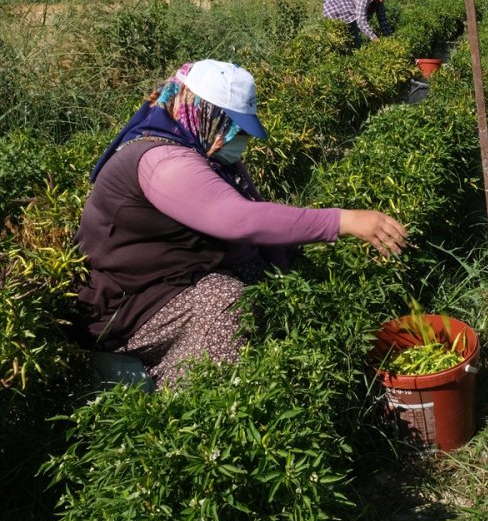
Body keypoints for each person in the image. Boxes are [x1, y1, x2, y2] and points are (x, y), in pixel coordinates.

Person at [74, 59, 408, 388]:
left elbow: (259, 217)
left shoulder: (207, 154)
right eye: (233, 128)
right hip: (129, 307)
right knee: (227, 301)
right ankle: (189, 397)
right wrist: (343, 220)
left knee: (265, 274)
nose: (240, 141)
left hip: (173, 276)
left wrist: (283, 277)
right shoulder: (164, 162)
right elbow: (240, 219)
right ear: (205, 113)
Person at [322, 0, 393, 46]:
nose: (381, 0)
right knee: (335, 39)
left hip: (349, 9)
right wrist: (374, 38)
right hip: (334, 8)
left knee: (354, 42)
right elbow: (361, 21)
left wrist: (390, 38)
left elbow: (382, 19)